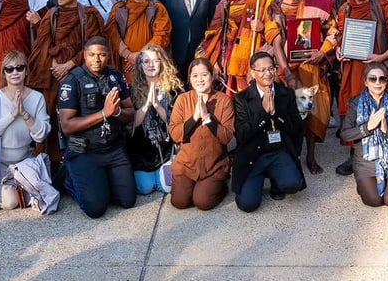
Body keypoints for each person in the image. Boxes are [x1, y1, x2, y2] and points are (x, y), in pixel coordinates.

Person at [334, 0, 388, 176]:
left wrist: (381, 57)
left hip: (378, 70)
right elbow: (340, 35)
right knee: (354, 110)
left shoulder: (385, 7)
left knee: (383, 110)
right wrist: (339, 49)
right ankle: (354, 154)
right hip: (355, 70)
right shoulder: (346, 9)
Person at [57, 37, 136, 218]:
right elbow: (67, 125)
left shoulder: (115, 76)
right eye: (92, 55)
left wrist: (116, 113)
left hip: (113, 148)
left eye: (101, 55)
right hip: (85, 150)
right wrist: (103, 114)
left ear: (108, 56)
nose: (97, 59)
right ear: (84, 56)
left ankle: (99, 181)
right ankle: (68, 178)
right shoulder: (72, 81)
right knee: (96, 209)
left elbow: (130, 111)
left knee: (127, 200)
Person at [27, 0, 103, 161]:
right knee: (50, 115)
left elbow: (93, 45)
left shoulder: (88, 15)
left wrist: (69, 65)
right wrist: (54, 66)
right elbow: (42, 44)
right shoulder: (52, 14)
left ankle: (79, 159)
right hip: (52, 74)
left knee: (80, 114)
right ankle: (49, 160)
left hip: (78, 73)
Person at [269, 0, 337, 174]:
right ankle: (289, 154)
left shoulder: (318, 2)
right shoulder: (275, 5)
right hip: (284, 66)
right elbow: (275, 41)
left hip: (309, 64)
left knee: (308, 110)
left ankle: (310, 155)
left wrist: (323, 51)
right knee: (286, 113)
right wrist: (285, 71)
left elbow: (333, 31)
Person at [0, 51, 51, 209]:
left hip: (24, 160)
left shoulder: (37, 98)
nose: (15, 72)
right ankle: (10, 188)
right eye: (9, 69)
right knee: (11, 203)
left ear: (26, 71)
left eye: (19, 68)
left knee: (44, 194)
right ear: (3, 73)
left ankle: (22, 186)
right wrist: (12, 115)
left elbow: (41, 136)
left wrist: (24, 114)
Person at [231, 51, 305, 212]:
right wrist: (263, 115)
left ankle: (276, 180)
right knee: (248, 204)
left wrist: (276, 114)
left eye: (271, 69)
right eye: (262, 70)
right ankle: (255, 181)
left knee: (293, 184)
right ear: (253, 73)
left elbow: (297, 128)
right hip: (254, 154)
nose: (267, 74)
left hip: (278, 150)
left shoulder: (285, 93)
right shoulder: (242, 99)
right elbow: (242, 135)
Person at [340, 63, 388, 207]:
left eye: (382, 79)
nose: (378, 83)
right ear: (366, 82)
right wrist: (367, 127)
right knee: (374, 201)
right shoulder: (356, 104)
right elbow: (344, 134)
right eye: (373, 79)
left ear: (387, 81)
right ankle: (364, 184)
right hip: (365, 162)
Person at [200, 0, 282, 94]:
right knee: (235, 93)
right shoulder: (225, 2)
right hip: (230, 53)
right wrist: (215, 59)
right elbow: (215, 31)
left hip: (255, 49)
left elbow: (276, 27)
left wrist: (262, 27)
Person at [168, 58, 235, 210]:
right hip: (186, 164)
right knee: (179, 202)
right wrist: (194, 118)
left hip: (213, 165)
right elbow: (174, 134)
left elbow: (227, 136)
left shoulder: (224, 101)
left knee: (202, 202)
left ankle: (222, 184)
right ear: (190, 78)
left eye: (204, 75)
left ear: (212, 76)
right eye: (195, 76)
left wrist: (207, 118)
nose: (200, 80)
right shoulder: (182, 100)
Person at [128, 45, 183, 194]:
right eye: (146, 61)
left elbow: (176, 123)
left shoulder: (175, 90)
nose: (151, 65)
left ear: (163, 63)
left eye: (156, 60)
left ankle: (162, 175)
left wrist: (158, 106)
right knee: (145, 188)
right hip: (143, 153)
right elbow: (131, 125)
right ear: (140, 65)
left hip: (167, 151)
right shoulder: (131, 91)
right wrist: (146, 106)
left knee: (167, 187)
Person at [107, 0, 172, 82]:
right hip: (125, 63)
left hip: (151, 61)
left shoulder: (157, 8)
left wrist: (140, 57)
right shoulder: (120, 8)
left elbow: (162, 34)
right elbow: (111, 34)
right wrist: (128, 55)